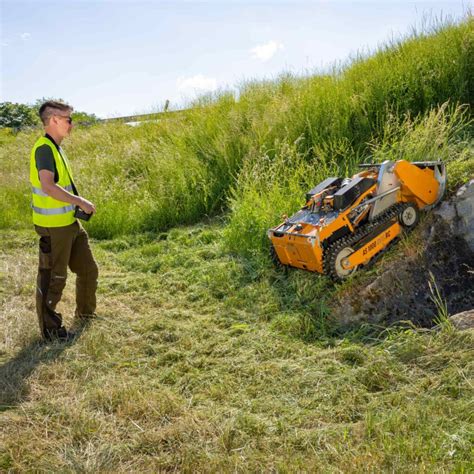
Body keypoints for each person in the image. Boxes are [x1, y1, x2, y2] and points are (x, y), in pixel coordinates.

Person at [30, 100, 98, 342]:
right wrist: (80, 201)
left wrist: (76, 206)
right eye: (68, 119)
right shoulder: (44, 149)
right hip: (55, 227)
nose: (72, 124)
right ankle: (51, 332)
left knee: (88, 269)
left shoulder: (57, 149)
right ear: (54, 120)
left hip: (69, 223)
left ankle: (86, 315)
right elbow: (48, 186)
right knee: (55, 279)